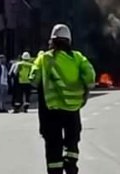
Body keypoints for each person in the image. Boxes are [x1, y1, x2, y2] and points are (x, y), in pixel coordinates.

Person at [30, 24, 96, 174]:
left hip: (51, 111)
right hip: (73, 108)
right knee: (72, 141)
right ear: (69, 41)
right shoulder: (78, 58)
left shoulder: (44, 58)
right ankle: (71, 164)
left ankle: (56, 171)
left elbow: (33, 79)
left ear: (52, 41)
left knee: (53, 144)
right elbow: (90, 77)